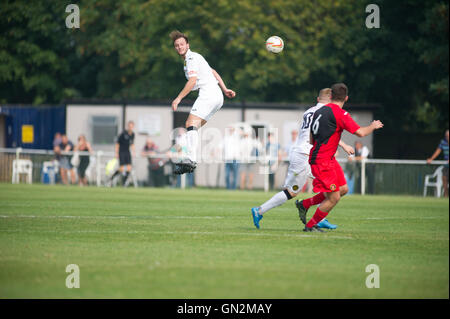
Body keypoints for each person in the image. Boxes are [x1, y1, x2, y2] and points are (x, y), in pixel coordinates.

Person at [251, 88, 354, 229]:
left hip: (308, 153)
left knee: (337, 188)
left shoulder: (309, 111)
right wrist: (343, 145)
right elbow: (325, 134)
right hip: (308, 155)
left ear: (318, 99)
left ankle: (319, 216)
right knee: (292, 192)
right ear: (332, 98)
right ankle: (259, 210)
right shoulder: (327, 112)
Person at [296, 83, 383, 232]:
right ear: (346, 98)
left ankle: (304, 204)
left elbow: (311, 139)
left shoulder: (319, 111)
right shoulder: (340, 114)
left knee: (343, 189)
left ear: (331, 96)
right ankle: (310, 226)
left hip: (326, 158)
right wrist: (373, 126)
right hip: (323, 161)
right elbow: (360, 133)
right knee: (334, 198)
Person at [169, 30, 236, 175]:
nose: (179, 47)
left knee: (190, 124)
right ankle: (188, 156)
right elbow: (213, 72)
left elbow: (193, 81)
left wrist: (178, 98)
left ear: (188, 45)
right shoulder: (194, 58)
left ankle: (191, 160)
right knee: (193, 127)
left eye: (182, 44)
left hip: (209, 93)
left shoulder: (191, 58)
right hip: (217, 96)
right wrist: (224, 89)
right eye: (176, 45)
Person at [111, 121, 136, 186]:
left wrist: (133, 152)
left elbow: (132, 143)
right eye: (129, 126)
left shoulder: (133, 134)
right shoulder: (123, 133)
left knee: (129, 168)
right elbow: (117, 144)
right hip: (121, 152)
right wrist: (116, 153)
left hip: (127, 152)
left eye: (132, 126)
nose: (130, 127)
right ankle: (112, 178)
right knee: (121, 169)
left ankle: (124, 183)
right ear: (128, 126)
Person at [427, 129, 449, 197]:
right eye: (446, 136)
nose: (447, 137)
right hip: (446, 165)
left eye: (448, 136)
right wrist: (431, 159)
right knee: (444, 177)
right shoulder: (443, 142)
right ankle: (446, 194)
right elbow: (438, 151)